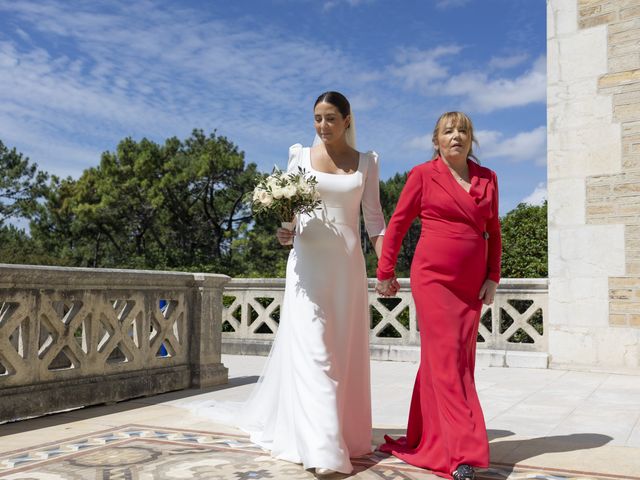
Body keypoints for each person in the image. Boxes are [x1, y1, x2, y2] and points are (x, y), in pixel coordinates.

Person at [238, 91, 387, 475]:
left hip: (348, 269)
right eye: (317, 118)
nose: (323, 126)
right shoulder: (299, 156)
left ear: (348, 120)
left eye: (331, 118)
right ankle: (323, 450)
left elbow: (374, 220)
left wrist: (386, 266)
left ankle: (344, 434)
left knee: (341, 352)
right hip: (306, 266)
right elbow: (287, 220)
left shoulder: (367, 162)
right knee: (315, 353)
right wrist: (283, 232)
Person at [375, 112, 501, 480]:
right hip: (433, 280)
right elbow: (397, 224)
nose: (456, 136)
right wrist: (386, 272)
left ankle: (427, 438)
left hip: (471, 285)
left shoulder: (488, 178)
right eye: (449, 131)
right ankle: (465, 454)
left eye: (463, 130)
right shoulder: (422, 175)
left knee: (449, 360)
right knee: (450, 362)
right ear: (437, 141)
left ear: (471, 139)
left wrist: (493, 276)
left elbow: (493, 229)